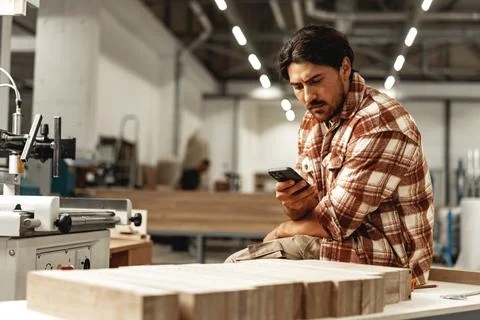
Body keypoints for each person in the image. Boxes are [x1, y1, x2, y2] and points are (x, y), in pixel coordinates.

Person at [225, 25, 434, 285]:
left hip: (387, 261)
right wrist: (294, 204)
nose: (308, 96)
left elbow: (333, 223)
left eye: (315, 81)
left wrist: (282, 230)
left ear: (345, 68)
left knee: (235, 268)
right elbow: (311, 214)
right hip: (337, 242)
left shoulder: (381, 124)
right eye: (298, 86)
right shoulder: (313, 123)